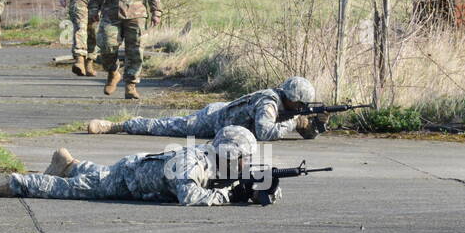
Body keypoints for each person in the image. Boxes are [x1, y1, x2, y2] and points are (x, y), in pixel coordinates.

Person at [0, 126, 277, 207]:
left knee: (95, 175)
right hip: (128, 180)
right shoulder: (193, 162)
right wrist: (231, 196)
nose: (245, 163)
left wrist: (260, 189)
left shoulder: (219, 161)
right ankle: (1, 186)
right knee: (70, 191)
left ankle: (70, 163)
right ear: (228, 153)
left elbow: (234, 184)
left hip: (134, 174)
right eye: (242, 157)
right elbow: (190, 198)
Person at [87, 76, 323, 141]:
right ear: (292, 98)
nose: (300, 108)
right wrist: (294, 123)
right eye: (300, 105)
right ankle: (118, 125)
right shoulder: (269, 103)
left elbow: (305, 131)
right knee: (168, 126)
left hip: (224, 115)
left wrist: (313, 124)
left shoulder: (283, 103)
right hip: (213, 120)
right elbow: (264, 133)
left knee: (170, 125)